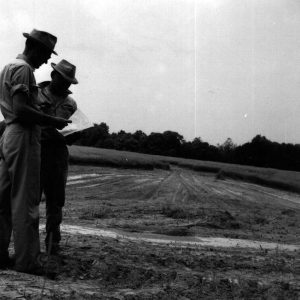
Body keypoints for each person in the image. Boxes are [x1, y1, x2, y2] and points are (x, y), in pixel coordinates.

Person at [0, 29, 70, 275]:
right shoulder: (24, 70)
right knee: (26, 200)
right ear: (37, 49)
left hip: (9, 134)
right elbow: (21, 109)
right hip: (24, 135)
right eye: (45, 55)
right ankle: (27, 261)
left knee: (4, 199)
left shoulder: (9, 65)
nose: (44, 61)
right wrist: (51, 121)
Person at [38, 59, 78, 254]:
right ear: (53, 76)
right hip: (36, 150)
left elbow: (73, 130)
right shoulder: (36, 93)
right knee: (30, 198)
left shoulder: (71, 103)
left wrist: (77, 134)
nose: (66, 84)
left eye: (69, 82)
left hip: (58, 154)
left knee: (56, 202)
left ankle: (53, 244)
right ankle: (27, 245)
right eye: (63, 80)